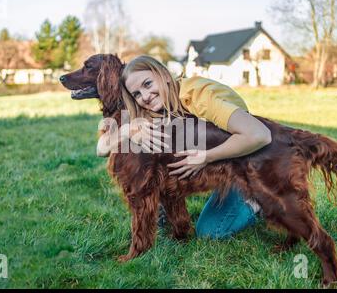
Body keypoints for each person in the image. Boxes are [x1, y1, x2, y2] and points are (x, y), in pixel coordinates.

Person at [96, 55, 270, 239]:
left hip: (249, 163)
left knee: (211, 233)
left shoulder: (198, 95)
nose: (145, 97)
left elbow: (260, 135)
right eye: (136, 94)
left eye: (147, 84)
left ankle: (256, 201)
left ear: (163, 75)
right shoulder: (148, 111)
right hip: (224, 166)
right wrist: (127, 131)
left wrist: (206, 157)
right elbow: (101, 149)